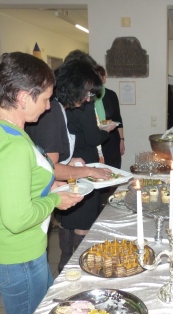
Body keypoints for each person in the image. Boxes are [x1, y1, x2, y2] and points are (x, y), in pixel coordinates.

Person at [0, 52, 83, 314]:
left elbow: (8, 187)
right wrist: (56, 200)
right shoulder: (13, 146)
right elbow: (17, 218)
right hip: (15, 255)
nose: (48, 107)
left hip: (10, 249)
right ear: (23, 97)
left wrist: (47, 186)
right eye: (45, 99)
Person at [25, 58, 116, 273]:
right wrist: (89, 171)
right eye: (86, 93)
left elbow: (45, 155)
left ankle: (68, 268)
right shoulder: (53, 111)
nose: (87, 99)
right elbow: (51, 167)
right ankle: (72, 271)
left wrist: (71, 161)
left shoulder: (57, 108)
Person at [94, 64, 125, 169]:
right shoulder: (89, 97)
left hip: (111, 140)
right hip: (96, 140)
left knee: (114, 171)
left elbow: (118, 118)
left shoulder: (111, 95)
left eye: (101, 77)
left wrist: (122, 140)